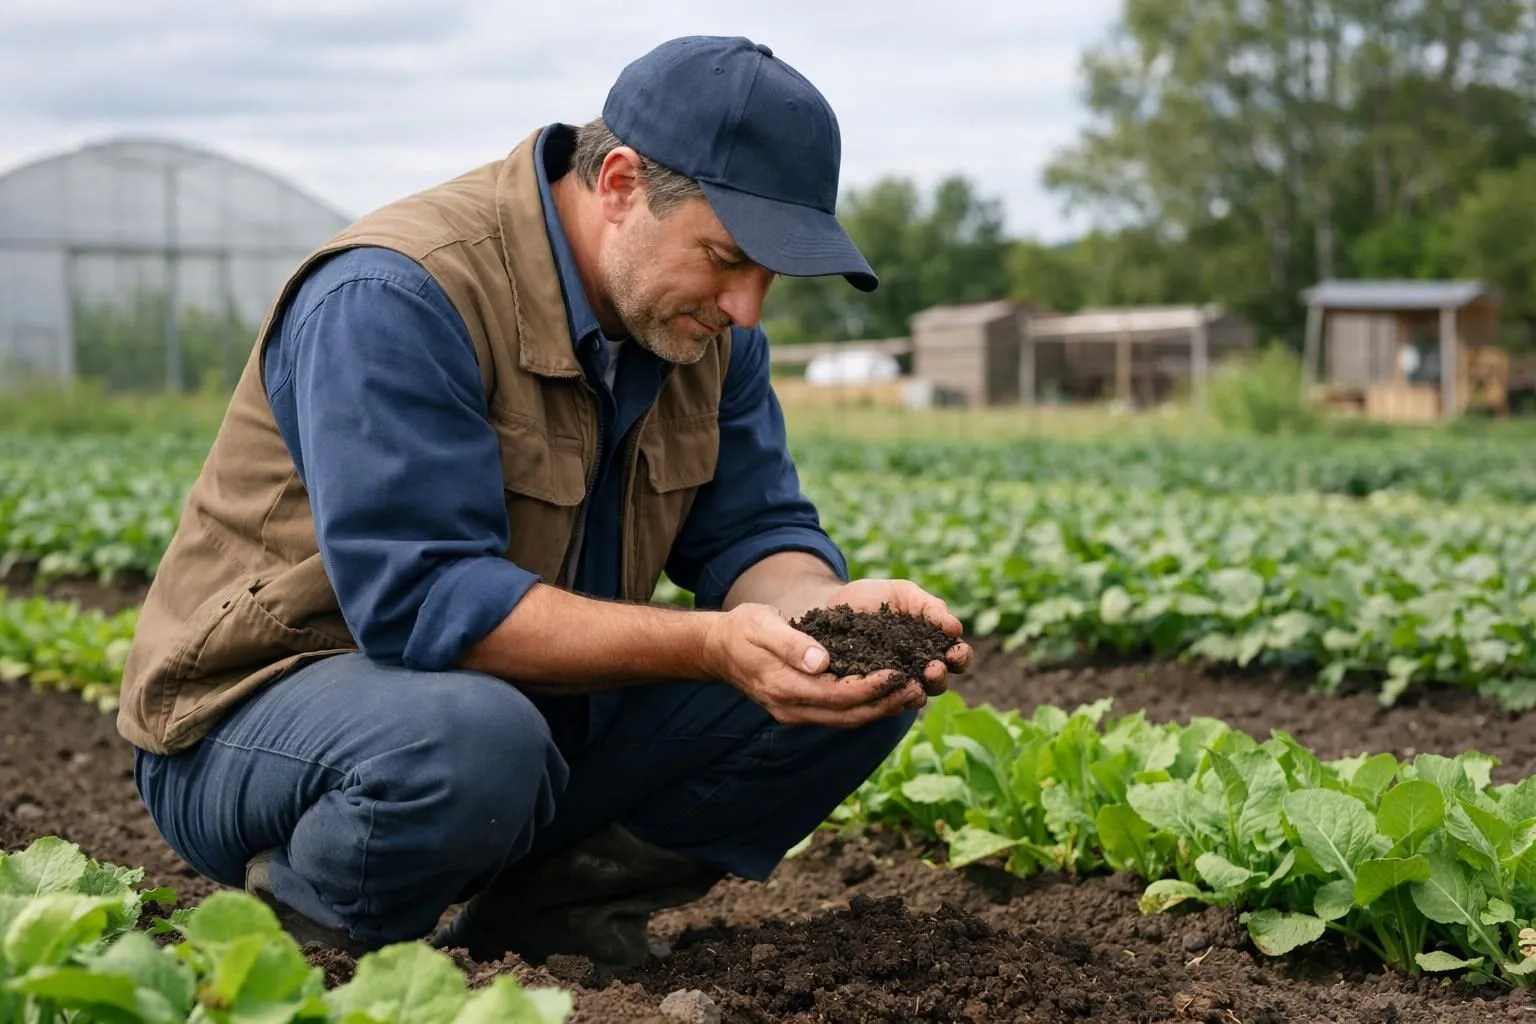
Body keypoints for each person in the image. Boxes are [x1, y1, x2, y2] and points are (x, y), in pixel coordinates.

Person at [117, 34, 972, 968]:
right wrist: (712, 645)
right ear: (618, 183)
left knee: (853, 684)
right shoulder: (398, 292)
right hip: (263, 725)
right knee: (473, 742)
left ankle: (550, 926)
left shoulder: (700, 332)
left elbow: (756, 530)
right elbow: (425, 606)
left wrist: (820, 618)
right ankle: (309, 952)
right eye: (727, 258)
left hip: (536, 722)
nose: (748, 308)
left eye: (769, 275)